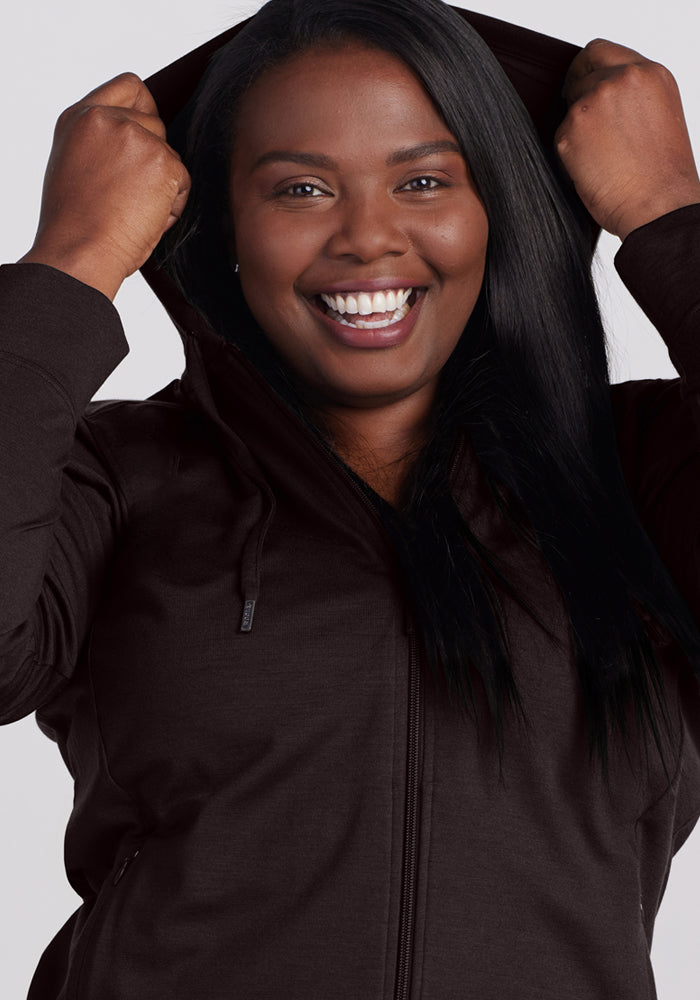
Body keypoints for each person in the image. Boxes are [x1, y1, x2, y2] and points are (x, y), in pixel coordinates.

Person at [2, 0, 700, 996]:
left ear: (496, 209)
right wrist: (68, 263)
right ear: (224, 230)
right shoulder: (120, 474)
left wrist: (671, 213)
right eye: (300, 189)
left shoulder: (638, 472)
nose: (368, 237)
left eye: (423, 180)